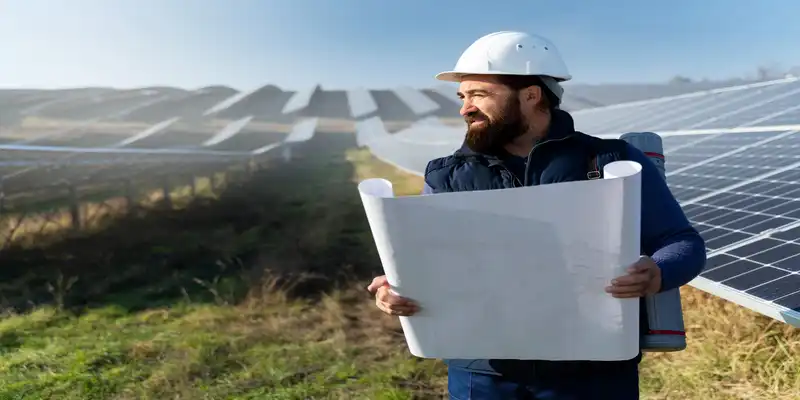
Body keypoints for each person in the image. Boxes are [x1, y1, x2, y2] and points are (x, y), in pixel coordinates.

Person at [366, 31, 707, 399]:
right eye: (463, 96)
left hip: (592, 370)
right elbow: (427, 256)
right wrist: (396, 287)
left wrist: (658, 272)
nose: (465, 108)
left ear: (531, 95)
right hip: (483, 371)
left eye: (479, 94)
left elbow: (681, 242)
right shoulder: (445, 175)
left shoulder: (610, 161)